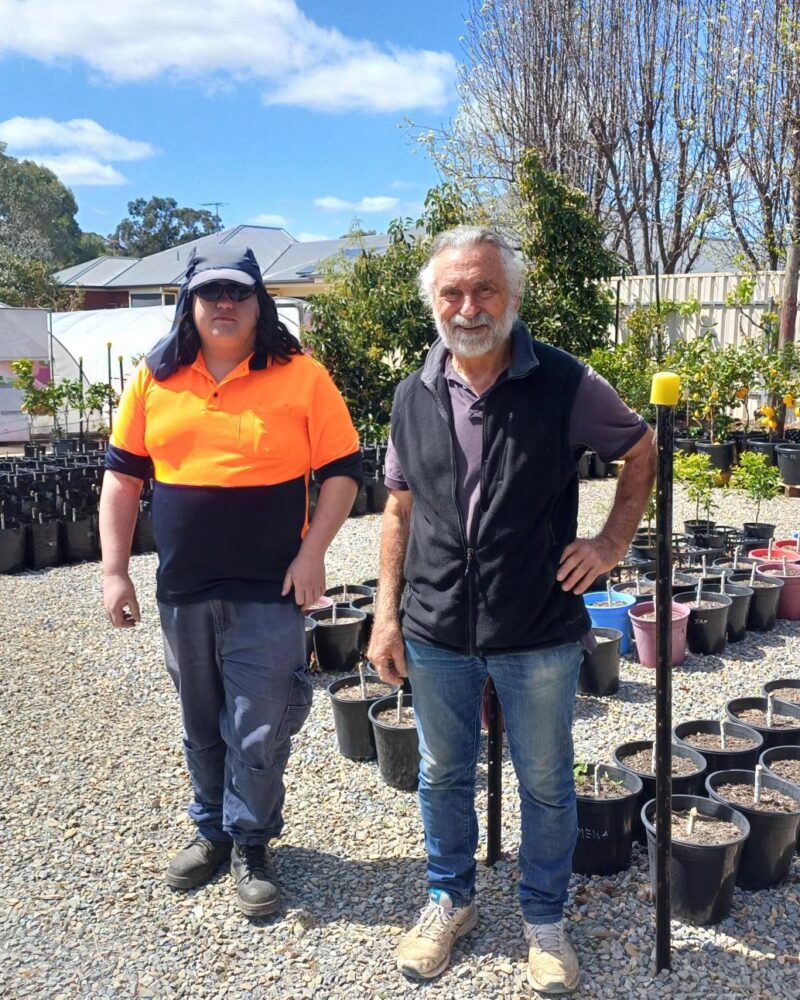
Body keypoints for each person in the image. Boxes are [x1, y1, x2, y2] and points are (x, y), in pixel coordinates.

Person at [367, 226, 655, 992]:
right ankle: (447, 902)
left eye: (484, 289)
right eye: (453, 292)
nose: (469, 306)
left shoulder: (565, 383)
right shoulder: (411, 392)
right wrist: (386, 615)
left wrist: (610, 541)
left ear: (513, 297)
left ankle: (544, 918)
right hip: (435, 627)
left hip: (536, 627)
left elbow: (641, 447)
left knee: (549, 781)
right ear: (434, 301)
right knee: (440, 774)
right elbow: (398, 510)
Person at [99, 246, 362, 917]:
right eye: (210, 291)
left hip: (268, 592)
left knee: (257, 723)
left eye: (237, 292)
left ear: (259, 303)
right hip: (183, 591)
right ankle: (210, 830)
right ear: (188, 301)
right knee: (200, 722)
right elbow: (122, 480)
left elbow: (341, 472)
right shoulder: (155, 379)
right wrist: (113, 571)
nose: (224, 303)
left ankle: (251, 843)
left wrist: (312, 552)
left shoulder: (301, 376)